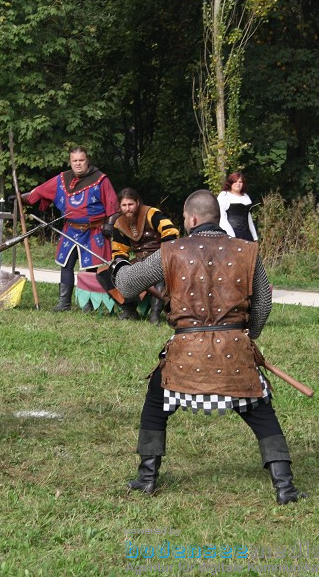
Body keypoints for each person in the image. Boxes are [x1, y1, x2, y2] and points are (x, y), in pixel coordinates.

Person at [109, 189, 306, 505]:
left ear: (192, 219)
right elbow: (264, 303)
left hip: (186, 351)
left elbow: (127, 285)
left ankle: (147, 479)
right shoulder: (245, 250)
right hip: (235, 350)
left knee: (155, 408)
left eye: (185, 217)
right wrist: (248, 336)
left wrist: (118, 262)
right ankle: (285, 487)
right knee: (261, 412)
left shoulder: (171, 251)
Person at [21, 145, 118, 311]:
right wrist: (20, 198)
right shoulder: (63, 179)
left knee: (90, 268)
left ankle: (88, 305)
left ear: (87, 161)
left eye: (81, 160)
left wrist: (109, 224)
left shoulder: (101, 180)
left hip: (93, 230)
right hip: (70, 230)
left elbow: (113, 205)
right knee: (66, 265)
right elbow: (39, 192)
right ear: (70, 162)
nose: (78, 164)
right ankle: (64, 303)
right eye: (75, 161)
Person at [107, 188, 179, 322]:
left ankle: (155, 314)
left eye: (130, 204)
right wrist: (120, 266)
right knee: (107, 273)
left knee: (158, 272)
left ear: (137, 203)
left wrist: (164, 253)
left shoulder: (151, 213)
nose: (127, 208)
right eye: (124, 205)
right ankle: (129, 310)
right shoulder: (119, 224)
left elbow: (170, 231)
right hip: (138, 261)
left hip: (159, 256)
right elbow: (119, 250)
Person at [217, 172, 258, 241]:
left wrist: (255, 237)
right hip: (230, 234)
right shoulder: (224, 195)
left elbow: (248, 218)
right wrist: (231, 236)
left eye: (240, 182)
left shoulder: (245, 197)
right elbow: (222, 217)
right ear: (230, 183)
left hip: (246, 235)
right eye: (235, 181)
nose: (238, 184)